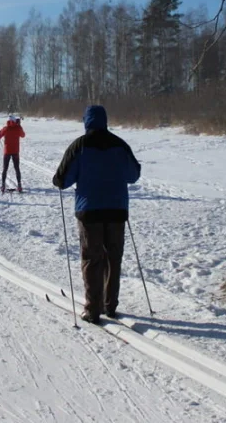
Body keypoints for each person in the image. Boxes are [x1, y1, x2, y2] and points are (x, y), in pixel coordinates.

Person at [52, 105, 141, 324]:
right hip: (117, 210)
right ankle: (110, 305)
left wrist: (59, 181)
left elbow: (63, 179)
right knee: (113, 258)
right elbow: (134, 174)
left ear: (86, 121)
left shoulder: (79, 146)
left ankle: (93, 309)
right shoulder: (120, 144)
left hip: (89, 211)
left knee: (92, 259)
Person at [0, 116, 25, 193]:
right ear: (15, 121)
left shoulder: (5, 128)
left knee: (5, 169)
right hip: (15, 151)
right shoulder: (18, 128)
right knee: (17, 168)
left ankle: (3, 185)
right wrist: (19, 125)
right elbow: (23, 135)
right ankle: (19, 185)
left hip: (7, 151)